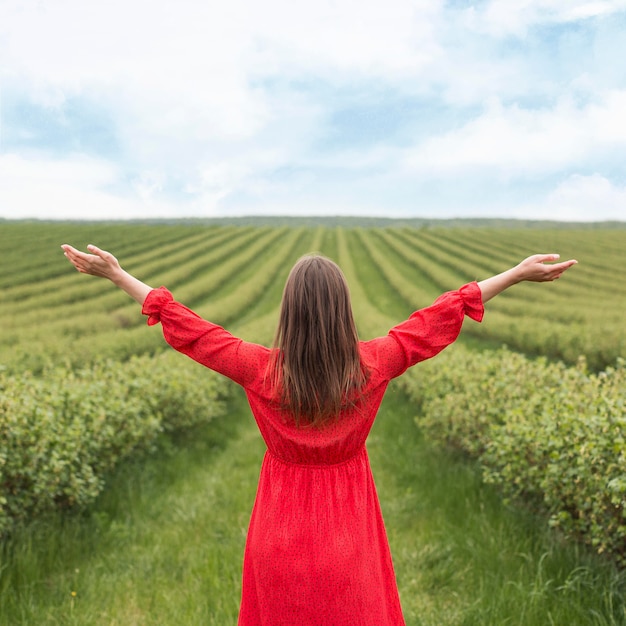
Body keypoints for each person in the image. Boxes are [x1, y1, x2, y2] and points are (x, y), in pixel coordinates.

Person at [61, 243, 576, 626]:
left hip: (278, 532)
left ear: (289, 312)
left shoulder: (258, 369)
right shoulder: (374, 365)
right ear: (342, 311)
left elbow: (191, 328)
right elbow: (437, 317)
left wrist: (119, 275)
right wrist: (514, 274)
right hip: (349, 532)